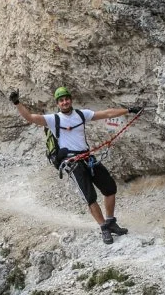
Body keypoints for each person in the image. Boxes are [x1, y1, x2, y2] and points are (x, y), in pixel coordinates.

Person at [9, 86, 142, 244]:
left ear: (70, 100)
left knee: (110, 188)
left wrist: (128, 110)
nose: (64, 102)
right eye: (61, 100)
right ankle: (104, 228)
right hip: (72, 163)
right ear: (58, 103)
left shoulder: (81, 114)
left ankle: (111, 222)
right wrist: (17, 103)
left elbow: (107, 113)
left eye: (66, 99)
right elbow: (30, 117)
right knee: (90, 197)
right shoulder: (53, 119)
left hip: (87, 157)